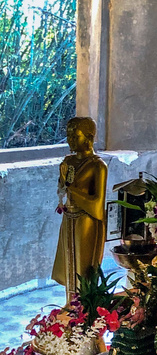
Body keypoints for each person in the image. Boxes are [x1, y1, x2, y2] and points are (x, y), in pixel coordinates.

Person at [52, 117, 108, 304]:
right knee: (69, 263)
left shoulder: (97, 166)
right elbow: (63, 189)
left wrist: (71, 189)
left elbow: (98, 204)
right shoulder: (68, 161)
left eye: (75, 136)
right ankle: (70, 304)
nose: (70, 140)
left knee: (83, 267)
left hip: (87, 220)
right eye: (68, 136)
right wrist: (63, 182)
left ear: (88, 137)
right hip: (69, 217)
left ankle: (84, 308)